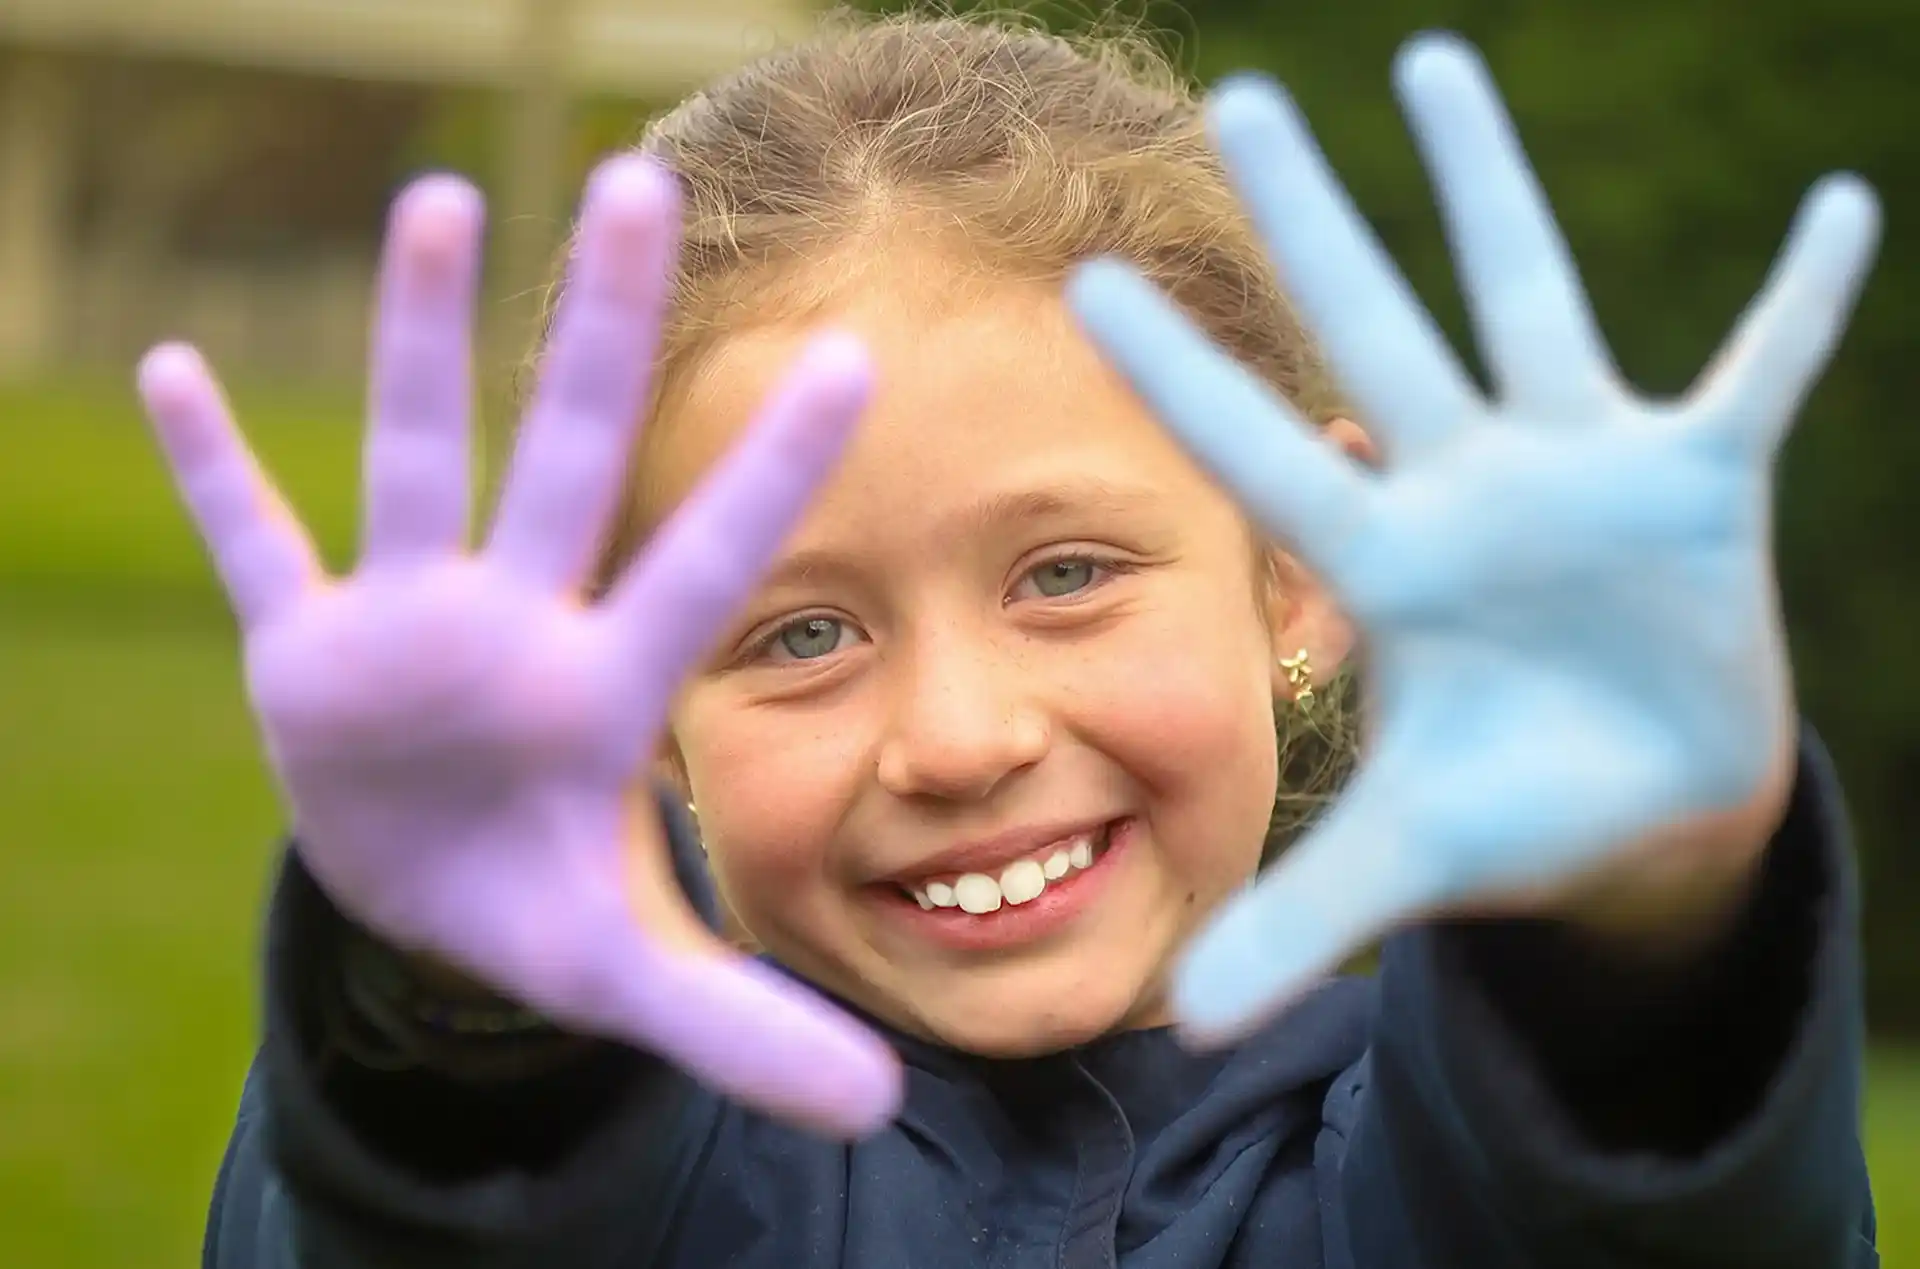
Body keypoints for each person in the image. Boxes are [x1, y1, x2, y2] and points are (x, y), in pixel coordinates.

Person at [139, 11, 1883, 1268]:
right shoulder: (631, 1165)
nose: (961, 739)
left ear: (1294, 574)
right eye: (802, 631)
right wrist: (469, 1016)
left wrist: (1636, 928)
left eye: (1065, 577)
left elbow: (1634, 1198)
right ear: (640, 706)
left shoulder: (1431, 1167)